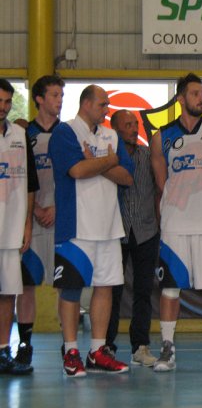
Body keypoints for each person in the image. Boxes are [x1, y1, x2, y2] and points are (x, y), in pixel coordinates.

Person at [150, 73, 202, 372]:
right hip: (175, 226)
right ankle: (167, 348)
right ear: (180, 98)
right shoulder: (162, 137)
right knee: (171, 289)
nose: (201, 98)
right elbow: (162, 184)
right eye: (195, 93)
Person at [49, 85, 134, 377]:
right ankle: (71, 351)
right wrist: (108, 161)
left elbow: (127, 177)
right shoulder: (65, 132)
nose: (106, 110)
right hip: (77, 227)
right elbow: (76, 171)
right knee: (71, 289)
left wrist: (97, 162)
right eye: (102, 104)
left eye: (107, 105)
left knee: (105, 287)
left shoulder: (111, 135)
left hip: (109, 226)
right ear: (85, 104)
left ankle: (97, 351)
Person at [12, 75, 63, 368]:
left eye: (61, 95)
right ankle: (25, 345)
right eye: (54, 95)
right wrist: (33, 211)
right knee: (26, 286)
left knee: (64, 287)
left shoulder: (67, 133)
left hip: (60, 221)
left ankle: (68, 345)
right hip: (31, 220)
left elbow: (74, 178)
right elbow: (19, 179)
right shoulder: (22, 133)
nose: (59, 100)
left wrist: (56, 207)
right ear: (40, 99)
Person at [106, 109, 160, 367]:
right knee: (111, 291)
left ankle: (140, 345)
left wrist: (160, 221)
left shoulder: (148, 155)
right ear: (115, 129)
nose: (133, 128)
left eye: (135, 124)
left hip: (146, 230)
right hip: (115, 231)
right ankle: (106, 345)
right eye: (127, 125)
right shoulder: (107, 157)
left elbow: (160, 187)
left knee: (143, 291)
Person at [0, 79, 37, 376]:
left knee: (8, 294)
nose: (3, 107)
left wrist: (26, 224)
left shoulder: (20, 136)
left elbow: (30, 185)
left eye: (7, 102)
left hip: (11, 231)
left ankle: (3, 351)